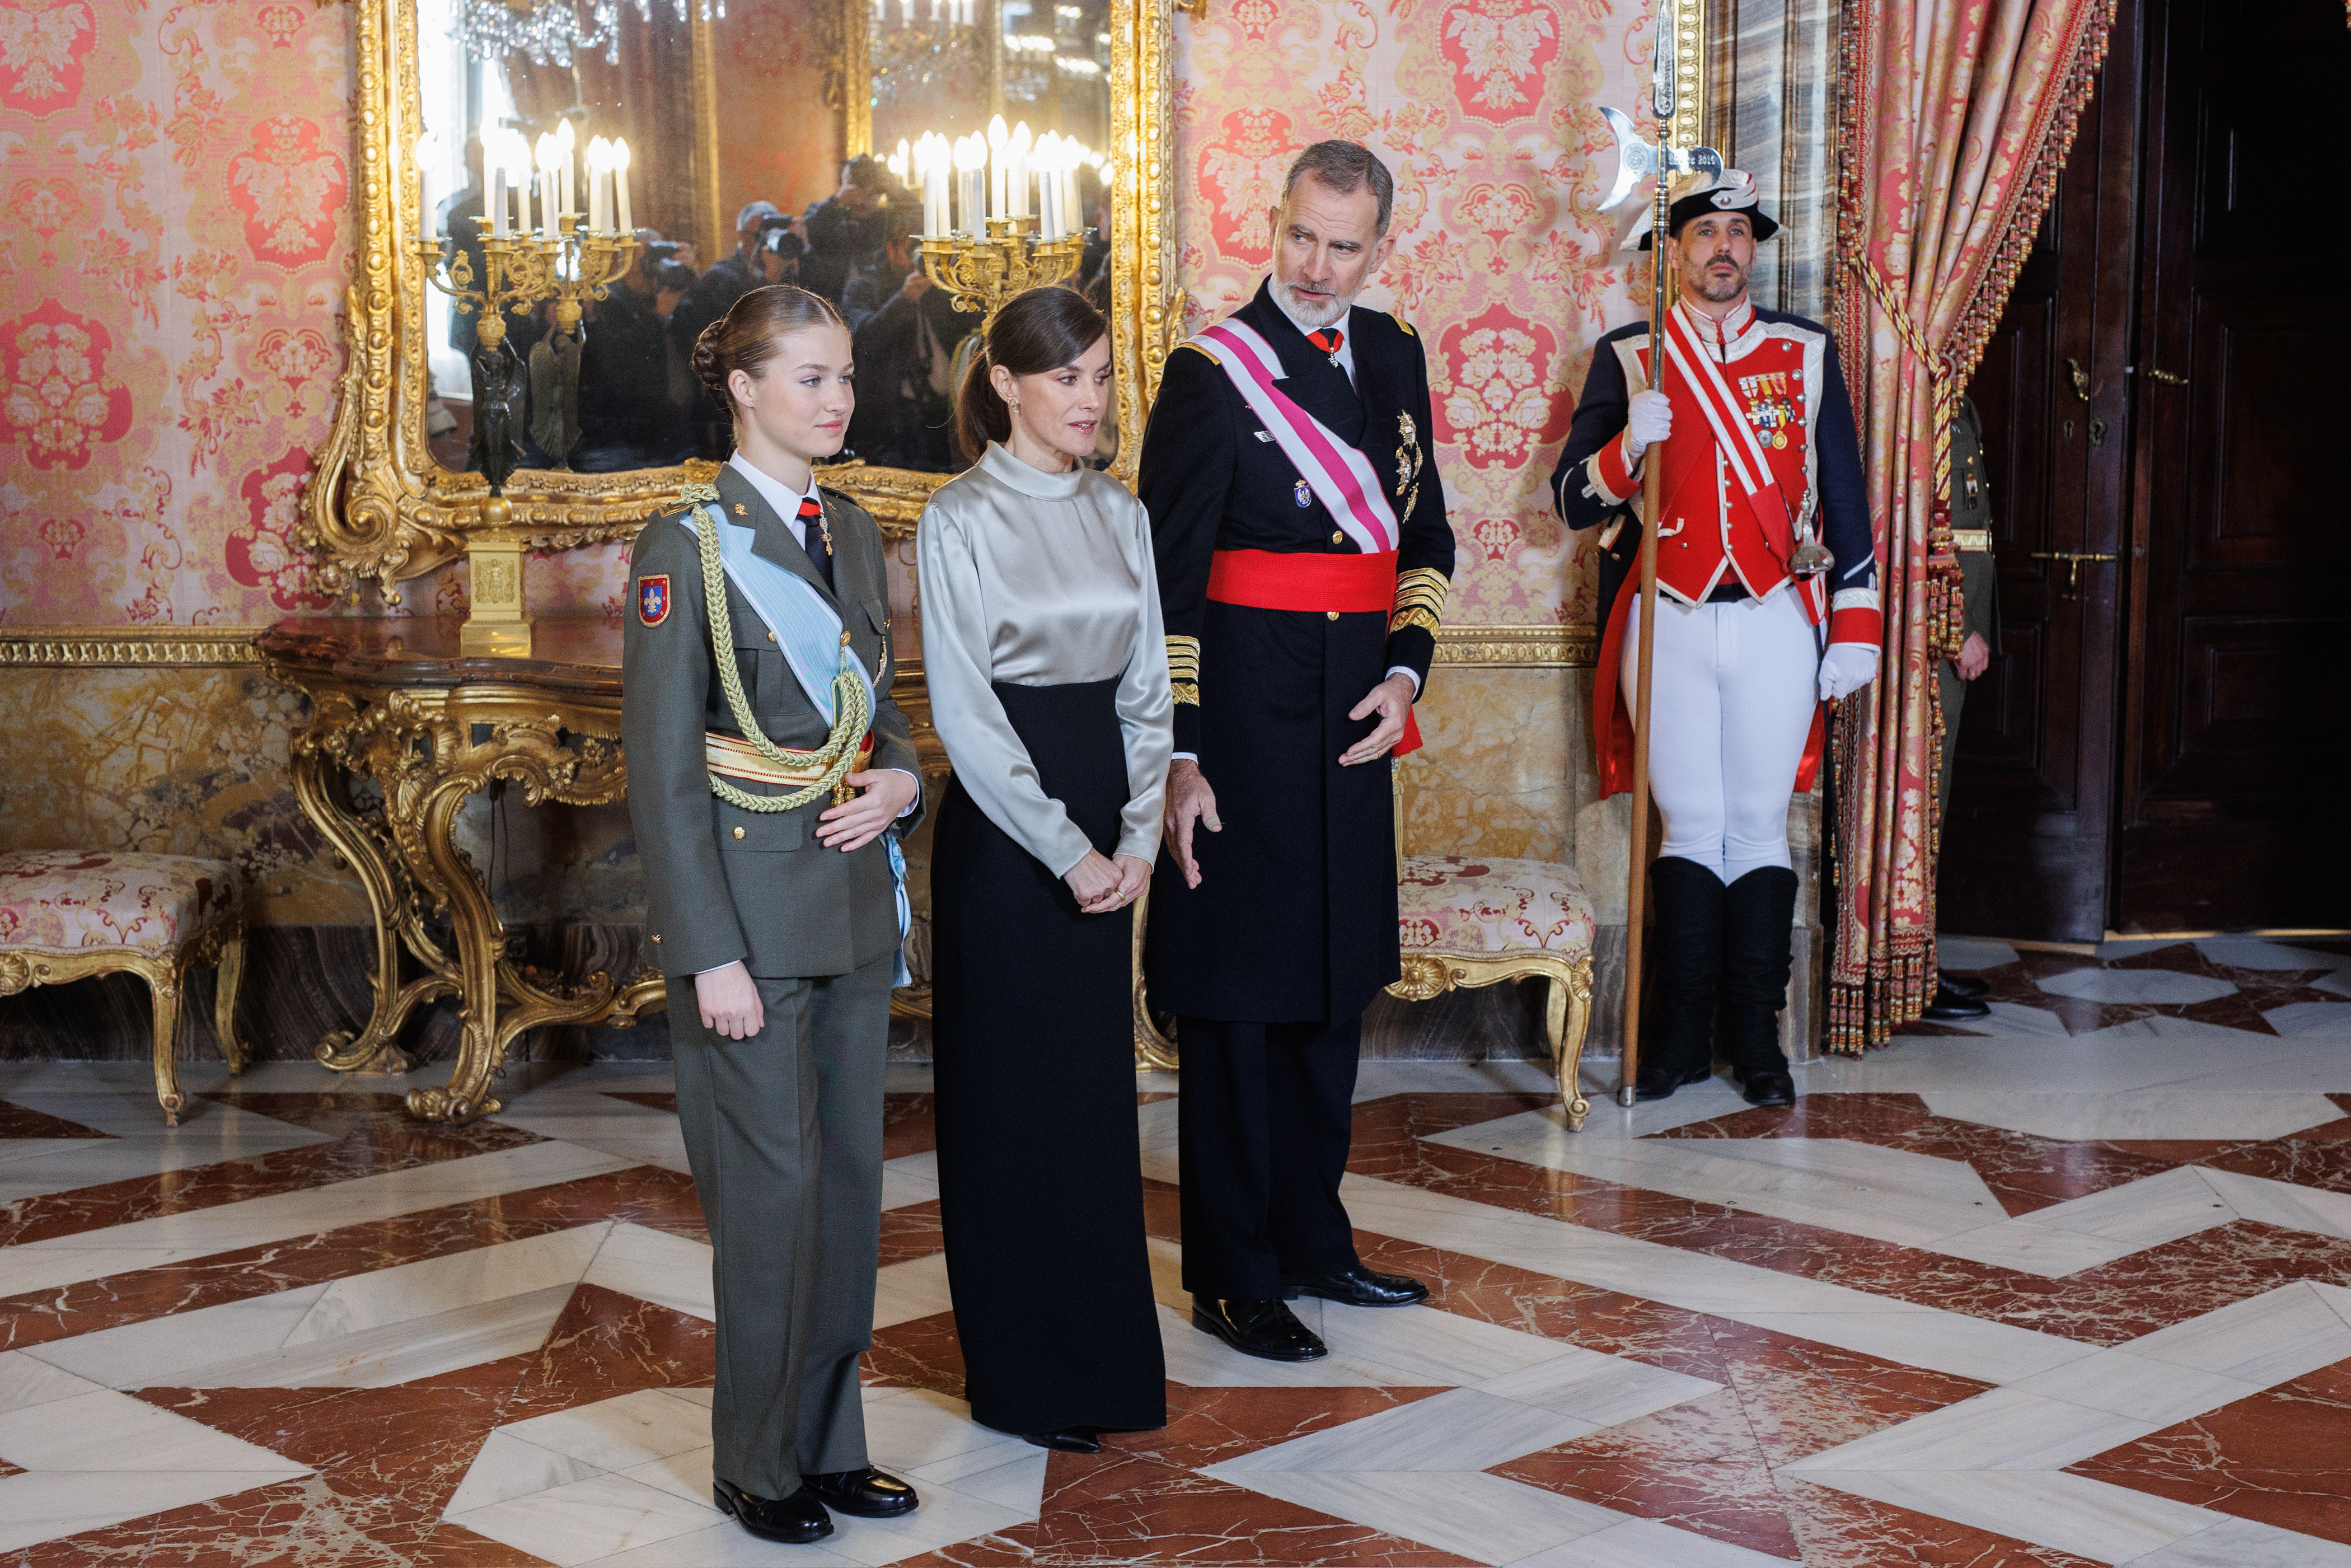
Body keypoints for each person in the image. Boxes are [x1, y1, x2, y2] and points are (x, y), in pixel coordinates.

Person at [1137, 141, 1454, 1363]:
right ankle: (1232, 1271)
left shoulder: (1396, 355)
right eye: (1302, 238)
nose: (1319, 267)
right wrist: (1181, 752)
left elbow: (1423, 535)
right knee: (1236, 1000)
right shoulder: (1212, 373)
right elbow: (1166, 580)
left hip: (1350, 717)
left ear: (1381, 248)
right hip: (1242, 715)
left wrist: (1404, 668)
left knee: (1331, 987)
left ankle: (1314, 1237)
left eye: (1346, 246)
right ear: (1275, 226)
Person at [622, 284, 925, 1545]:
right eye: (810, 378)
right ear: (743, 388)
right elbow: (664, 770)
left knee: (847, 1186)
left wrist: (905, 777)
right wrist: (709, 955)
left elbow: (879, 709)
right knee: (768, 1193)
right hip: (748, 918)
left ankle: (829, 1441)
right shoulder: (681, 545)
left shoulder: (852, 530)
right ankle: (755, 1457)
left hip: (850, 906)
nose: (838, 398)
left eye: (844, 376)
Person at [1551, 169, 1881, 1107]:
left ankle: (1758, 1046)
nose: (1725, 248)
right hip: (1670, 618)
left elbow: (1847, 501)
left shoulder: (1805, 352)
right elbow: (1572, 500)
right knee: (1689, 828)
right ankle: (1675, 1045)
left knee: (1760, 829)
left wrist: (1855, 623)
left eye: (1740, 232)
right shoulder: (1629, 355)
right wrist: (1624, 450)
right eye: (1706, 233)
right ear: (1674, 251)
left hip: (1776, 618)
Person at [920, 285, 1173, 1453]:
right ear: (1007, 384)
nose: (1090, 397)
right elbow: (968, 715)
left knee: (1088, 1112)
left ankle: (1103, 1367)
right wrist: (1068, 848)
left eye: (1103, 375)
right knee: (1006, 1108)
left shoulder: (1123, 514)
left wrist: (1131, 833)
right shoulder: (957, 516)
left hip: (1102, 834)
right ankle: (1019, 1377)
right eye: (1066, 376)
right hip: (1008, 842)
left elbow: (1147, 690)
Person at [1922, 396, 1999, 1021]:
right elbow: (1912, 530)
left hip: (1952, 633)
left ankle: (1919, 961)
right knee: (1919, 807)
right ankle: (1906, 966)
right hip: (1925, 639)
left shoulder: (1959, 401)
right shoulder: (1907, 398)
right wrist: (1957, 627)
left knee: (1935, 804)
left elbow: (1973, 530)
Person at [671, 201, 800, 455]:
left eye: (772, 232)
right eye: (759, 233)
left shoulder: (793, 272)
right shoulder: (720, 277)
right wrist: (771, 279)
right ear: (742, 236)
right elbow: (739, 331)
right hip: (734, 399)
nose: (766, 241)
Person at [799, 156, 892, 307]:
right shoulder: (822, 212)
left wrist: (895, 190)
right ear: (844, 183)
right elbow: (816, 234)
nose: (865, 193)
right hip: (828, 304)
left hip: (870, 308)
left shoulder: (882, 220)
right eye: (857, 183)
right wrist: (838, 201)